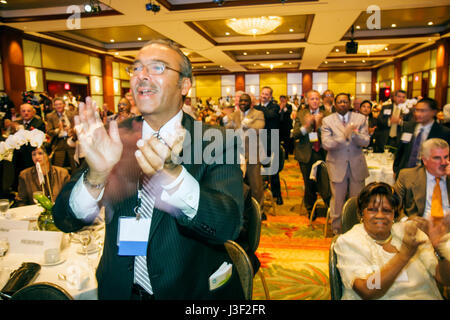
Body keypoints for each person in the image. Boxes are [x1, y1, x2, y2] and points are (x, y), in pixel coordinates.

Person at [52, 39, 245, 300]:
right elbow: (65, 220)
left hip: (191, 292)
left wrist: (173, 176)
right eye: (136, 68)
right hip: (119, 290)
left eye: (157, 68)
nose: (142, 76)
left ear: (184, 84)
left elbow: (227, 225)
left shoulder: (215, 141)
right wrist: (96, 175)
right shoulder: (113, 137)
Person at [334, 182, 450, 300]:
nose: (380, 215)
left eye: (386, 210)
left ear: (394, 215)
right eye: (372, 210)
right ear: (361, 214)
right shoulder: (349, 242)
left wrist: (439, 249)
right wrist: (403, 256)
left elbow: (444, 279)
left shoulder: (410, 232)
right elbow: (367, 291)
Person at [321, 93, 370, 234]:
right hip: (337, 165)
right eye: (340, 102)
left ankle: (357, 230)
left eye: (345, 101)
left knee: (358, 200)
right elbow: (326, 144)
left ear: (350, 104)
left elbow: (366, 141)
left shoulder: (360, 119)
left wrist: (353, 134)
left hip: (356, 164)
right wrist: (343, 136)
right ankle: (337, 230)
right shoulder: (328, 121)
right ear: (335, 104)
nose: (343, 104)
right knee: (337, 200)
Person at [223, 93, 265, 215]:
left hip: (252, 153)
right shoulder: (234, 114)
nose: (243, 103)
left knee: (256, 185)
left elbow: (259, 128)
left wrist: (244, 125)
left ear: (250, 103)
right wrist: (228, 122)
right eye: (241, 101)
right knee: (237, 184)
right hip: (237, 153)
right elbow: (228, 129)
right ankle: (241, 210)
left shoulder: (258, 114)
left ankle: (259, 212)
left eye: (245, 101)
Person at [292, 90, 331, 219]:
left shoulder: (327, 114)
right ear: (307, 101)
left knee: (324, 181)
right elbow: (295, 134)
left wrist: (319, 126)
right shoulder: (301, 113)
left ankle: (328, 207)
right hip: (305, 153)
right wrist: (306, 125)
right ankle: (310, 209)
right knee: (309, 184)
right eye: (312, 99)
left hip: (322, 152)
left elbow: (331, 134)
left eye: (316, 99)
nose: (314, 101)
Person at [393, 97, 450, 177]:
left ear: (433, 112)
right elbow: (400, 150)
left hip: (429, 175)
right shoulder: (409, 127)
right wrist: (396, 169)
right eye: (417, 110)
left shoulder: (443, 132)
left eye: (423, 111)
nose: (418, 114)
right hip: (405, 173)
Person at [394, 138, 450, 219]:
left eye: (446, 157)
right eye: (437, 158)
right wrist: (406, 223)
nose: (444, 162)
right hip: (419, 226)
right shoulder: (407, 176)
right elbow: (393, 206)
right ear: (424, 160)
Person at [255, 86, 283, 205]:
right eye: (262, 93)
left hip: (272, 141)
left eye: (267, 94)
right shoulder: (256, 107)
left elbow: (270, 115)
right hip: (258, 142)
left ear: (270, 96)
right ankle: (260, 194)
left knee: (274, 170)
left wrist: (259, 108)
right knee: (258, 170)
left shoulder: (275, 106)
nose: (264, 96)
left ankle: (277, 194)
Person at [46, 97, 77, 172]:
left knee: (74, 164)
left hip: (71, 141)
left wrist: (71, 130)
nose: (58, 106)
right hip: (59, 142)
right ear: (54, 106)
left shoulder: (72, 114)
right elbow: (49, 131)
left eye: (60, 104)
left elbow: (77, 127)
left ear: (64, 105)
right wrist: (58, 130)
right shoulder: (50, 116)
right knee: (58, 165)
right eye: (56, 105)